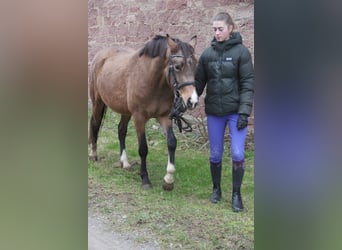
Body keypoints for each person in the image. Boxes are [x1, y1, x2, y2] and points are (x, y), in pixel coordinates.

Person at [195, 12, 254, 212]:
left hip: (235, 112)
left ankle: (236, 195)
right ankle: (216, 189)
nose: (217, 33)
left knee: (237, 153)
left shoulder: (242, 53)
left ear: (230, 28)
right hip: (214, 113)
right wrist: (185, 100)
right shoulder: (206, 55)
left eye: (220, 29)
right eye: (214, 29)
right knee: (215, 154)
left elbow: (248, 84)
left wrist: (245, 112)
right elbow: (197, 84)